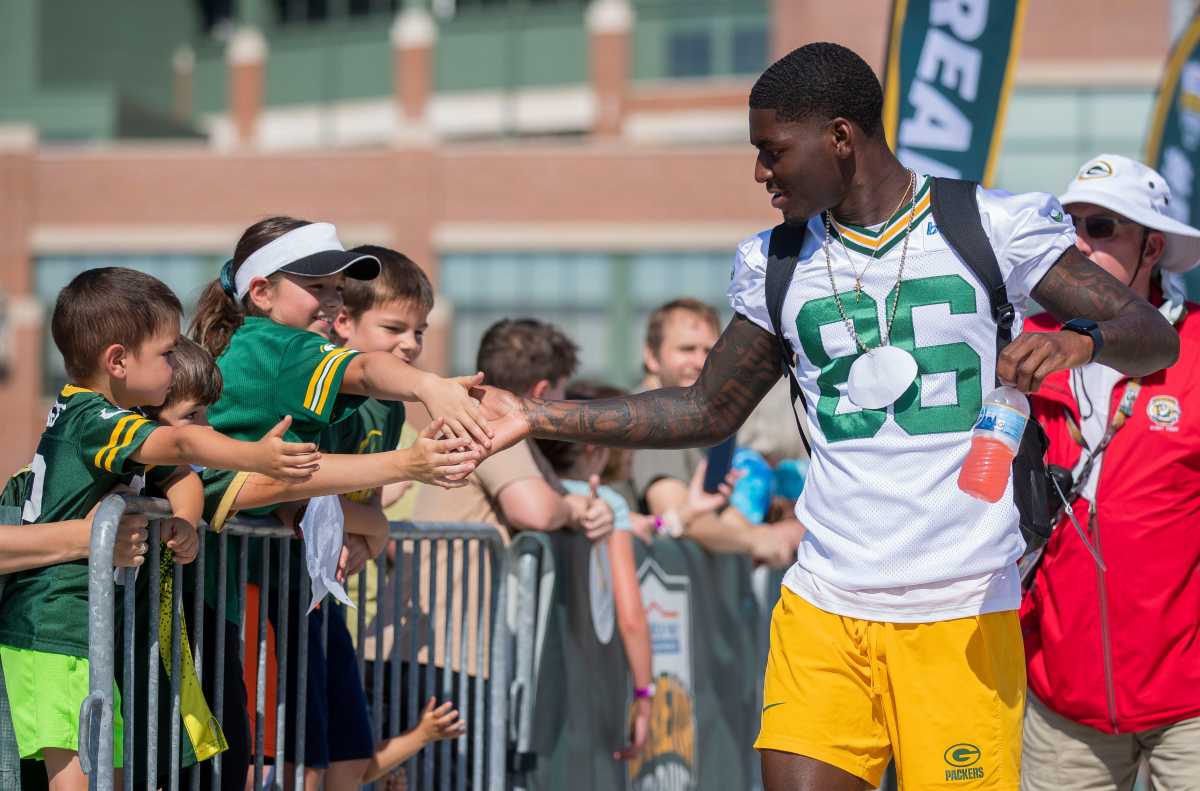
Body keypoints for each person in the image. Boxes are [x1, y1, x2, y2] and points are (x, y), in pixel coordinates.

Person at [471, 43, 1179, 791]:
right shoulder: (777, 264)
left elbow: (1151, 336)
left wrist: (1077, 342)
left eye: (772, 151)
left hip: (962, 610)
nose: (759, 173)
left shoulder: (988, 224)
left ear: (841, 137)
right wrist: (536, 415)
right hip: (825, 605)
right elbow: (704, 408)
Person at [186, 216, 487, 790]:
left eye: (335, 288)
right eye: (315, 286)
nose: (329, 300)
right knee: (259, 764)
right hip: (237, 585)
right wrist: (427, 392)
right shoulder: (276, 345)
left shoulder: (278, 345)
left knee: (300, 762)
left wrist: (359, 522)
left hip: (267, 589)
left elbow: (311, 494)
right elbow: (365, 371)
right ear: (261, 292)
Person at [0, 267, 317, 791]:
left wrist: (184, 524)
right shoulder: (95, 418)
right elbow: (181, 447)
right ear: (118, 360)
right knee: (79, 781)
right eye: (167, 352)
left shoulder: (100, 415)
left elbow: (178, 475)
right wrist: (258, 456)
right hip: (53, 629)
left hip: (86, 632)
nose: (175, 363)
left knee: (110, 777)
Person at [1020, 155, 1200, 790]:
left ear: (1152, 247)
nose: (1077, 244)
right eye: (1066, 226)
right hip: (1061, 702)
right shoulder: (1024, 346)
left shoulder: (1199, 349)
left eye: (1100, 227)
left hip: (1191, 708)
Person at [632, 299, 796, 566]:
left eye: (708, 350)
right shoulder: (653, 413)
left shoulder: (697, 419)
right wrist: (756, 541)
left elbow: (712, 509)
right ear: (651, 357)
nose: (699, 361)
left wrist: (773, 533)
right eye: (686, 349)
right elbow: (676, 514)